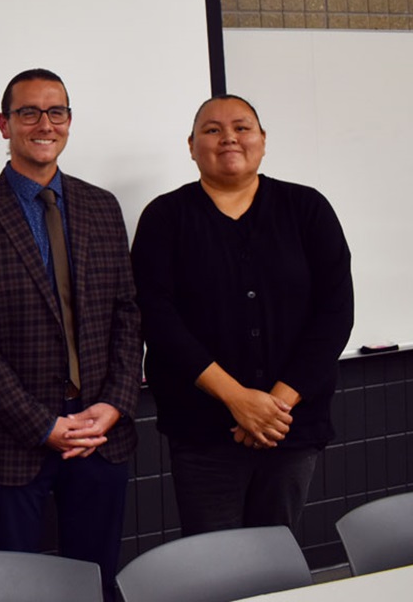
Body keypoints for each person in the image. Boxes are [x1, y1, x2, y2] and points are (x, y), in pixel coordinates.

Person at [0, 68, 141, 598]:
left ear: (70, 123)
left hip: (101, 435)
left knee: (94, 583)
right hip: (13, 444)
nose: (43, 124)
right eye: (28, 112)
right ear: (4, 124)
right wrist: (41, 424)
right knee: (17, 589)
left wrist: (116, 404)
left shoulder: (103, 207)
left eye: (56, 112)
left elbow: (127, 314)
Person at [130, 94, 353, 536]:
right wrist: (236, 398)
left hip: (289, 426)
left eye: (242, 127)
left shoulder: (307, 209)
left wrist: (271, 408)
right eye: (212, 130)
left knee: (277, 554)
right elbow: (157, 316)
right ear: (191, 145)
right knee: (217, 562)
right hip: (202, 430)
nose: (228, 137)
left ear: (263, 141)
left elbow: (335, 313)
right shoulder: (165, 217)